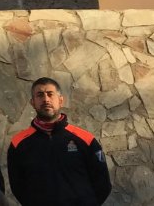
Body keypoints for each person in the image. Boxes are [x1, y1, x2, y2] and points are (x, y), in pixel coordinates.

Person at [7, 77, 110, 206]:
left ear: (61, 100)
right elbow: (18, 186)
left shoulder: (85, 139)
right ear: (32, 102)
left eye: (50, 94)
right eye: (40, 95)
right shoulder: (18, 143)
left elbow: (103, 182)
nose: (46, 99)